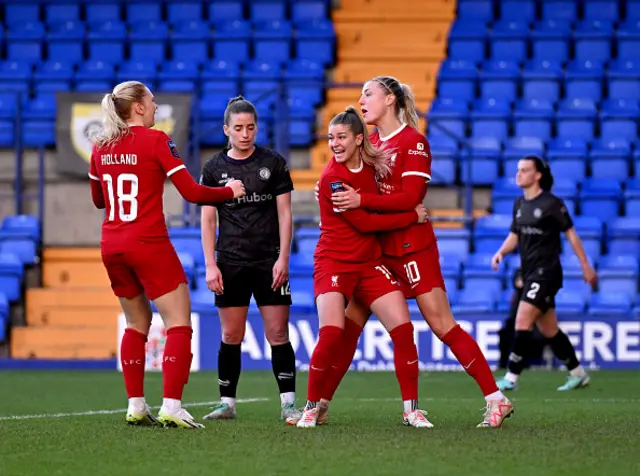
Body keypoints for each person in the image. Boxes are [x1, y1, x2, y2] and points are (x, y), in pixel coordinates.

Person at [318, 76, 513, 428]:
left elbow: (412, 198)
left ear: (389, 99)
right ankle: (320, 405)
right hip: (377, 251)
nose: (361, 100)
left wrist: (363, 200)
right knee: (350, 327)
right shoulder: (370, 142)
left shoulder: (414, 142)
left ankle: (496, 399)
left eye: (368, 93)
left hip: (411, 249)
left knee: (441, 324)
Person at [88, 80, 245, 429]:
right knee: (178, 323)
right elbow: (191, 192)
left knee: (136, 323)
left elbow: (99, 200)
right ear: (139, 107)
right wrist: (229, 190)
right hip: (148, 242)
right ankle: (172, 406)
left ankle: (136, 405)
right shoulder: (157, 140)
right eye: (153, 101)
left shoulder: (100, 146)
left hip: (112, 244)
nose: (156, 107)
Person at [296, 106, 433, 429]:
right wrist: (413, 216)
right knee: (331, 335)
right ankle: (311, 407)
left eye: (341, 137)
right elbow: (365, 222)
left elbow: (395, 186)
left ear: (360, 139)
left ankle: (411, 410)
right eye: (331, 138)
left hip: (369, 264)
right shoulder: (332, 177)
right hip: (335, 262)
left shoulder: (374, 165)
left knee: (403, 330)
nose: (334, 144)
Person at [199, 96, 301, 423]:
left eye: (251, 127)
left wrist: (283, 258)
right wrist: (210, 264)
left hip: (268, 261)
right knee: (231, 336)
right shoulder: (213, 168)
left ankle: (288, 404)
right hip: (229, 262)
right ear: (226, 129)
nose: (245, 134)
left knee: (278, 334)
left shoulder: (273, 162)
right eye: (238, 128)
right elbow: (207, 219)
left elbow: (285, 215)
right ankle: (227, 403)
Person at [491, 155, 597, 391]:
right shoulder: (519, 204)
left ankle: (511, 377)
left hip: (546, 272)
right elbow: (515, 235)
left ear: (537, 175)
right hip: (529, 272)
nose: (519, 174)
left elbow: (571, 235)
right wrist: (501, 252)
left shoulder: (552, 204)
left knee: (522, 319)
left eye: (524, 170)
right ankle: (578, 373)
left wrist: (586, 266)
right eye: (518, 170)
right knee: (548, 328)